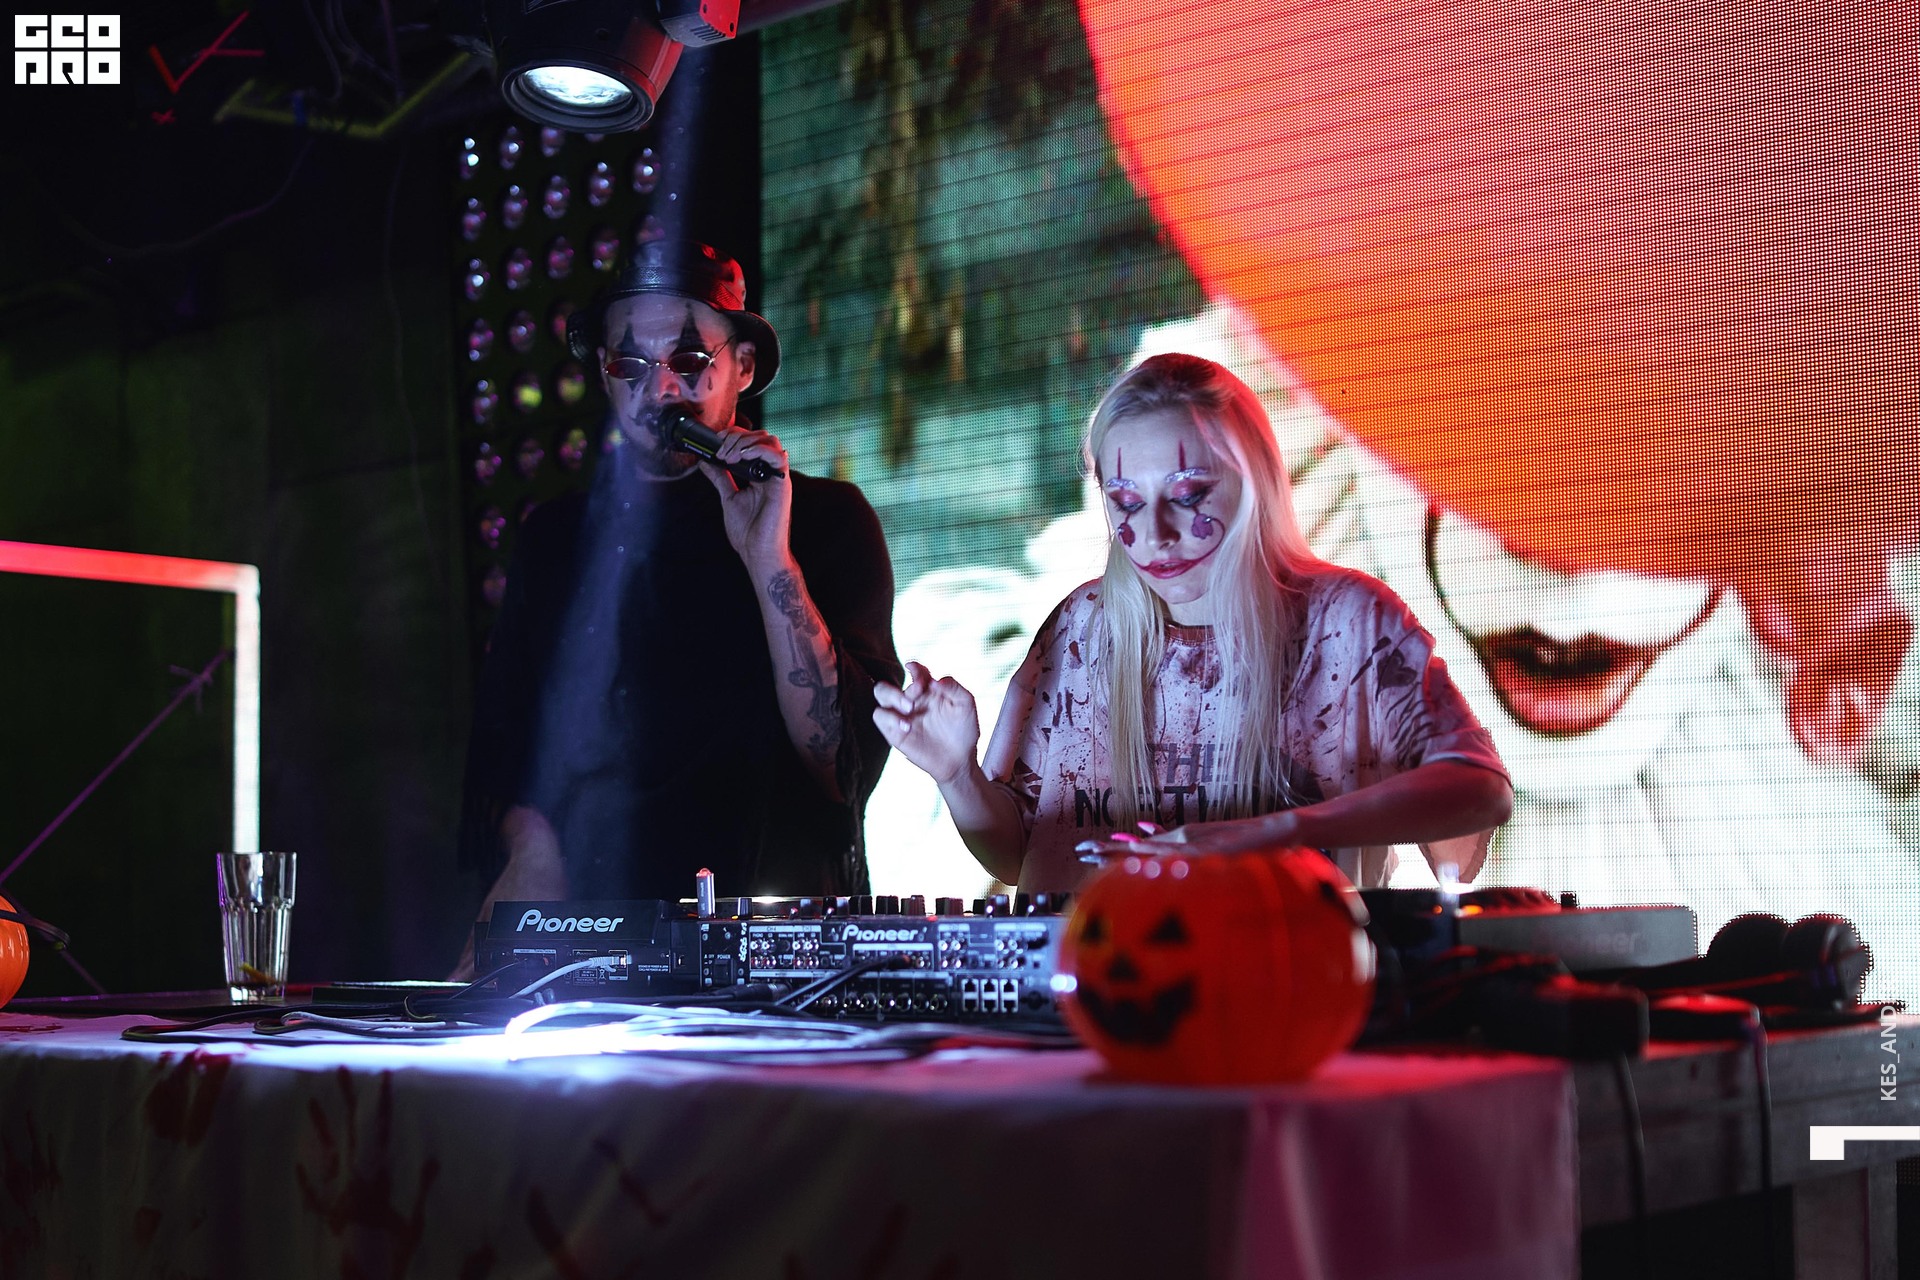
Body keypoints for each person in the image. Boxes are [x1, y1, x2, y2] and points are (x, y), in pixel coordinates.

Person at [872, 353, 1512, 892]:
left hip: (1293, 977)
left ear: (1254, 483)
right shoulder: (1079, 628)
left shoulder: (1344, 620)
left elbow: (1479, 794)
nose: (1154, 533)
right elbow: (1016, 855)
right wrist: (956, 774)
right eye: (1126, 501)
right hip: (1083, 981)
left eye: (1187, 494)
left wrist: (1273, 833)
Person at [457, 240, 902, 963]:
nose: (660, 389)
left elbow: (841, 765)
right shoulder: (558, 540)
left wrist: (769, 558)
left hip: (775, 955)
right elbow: (504, 757)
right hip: (598, 951)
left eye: (689, 361)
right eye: (629, 366)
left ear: (743, 367)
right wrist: (530, 848)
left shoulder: (826, 520)